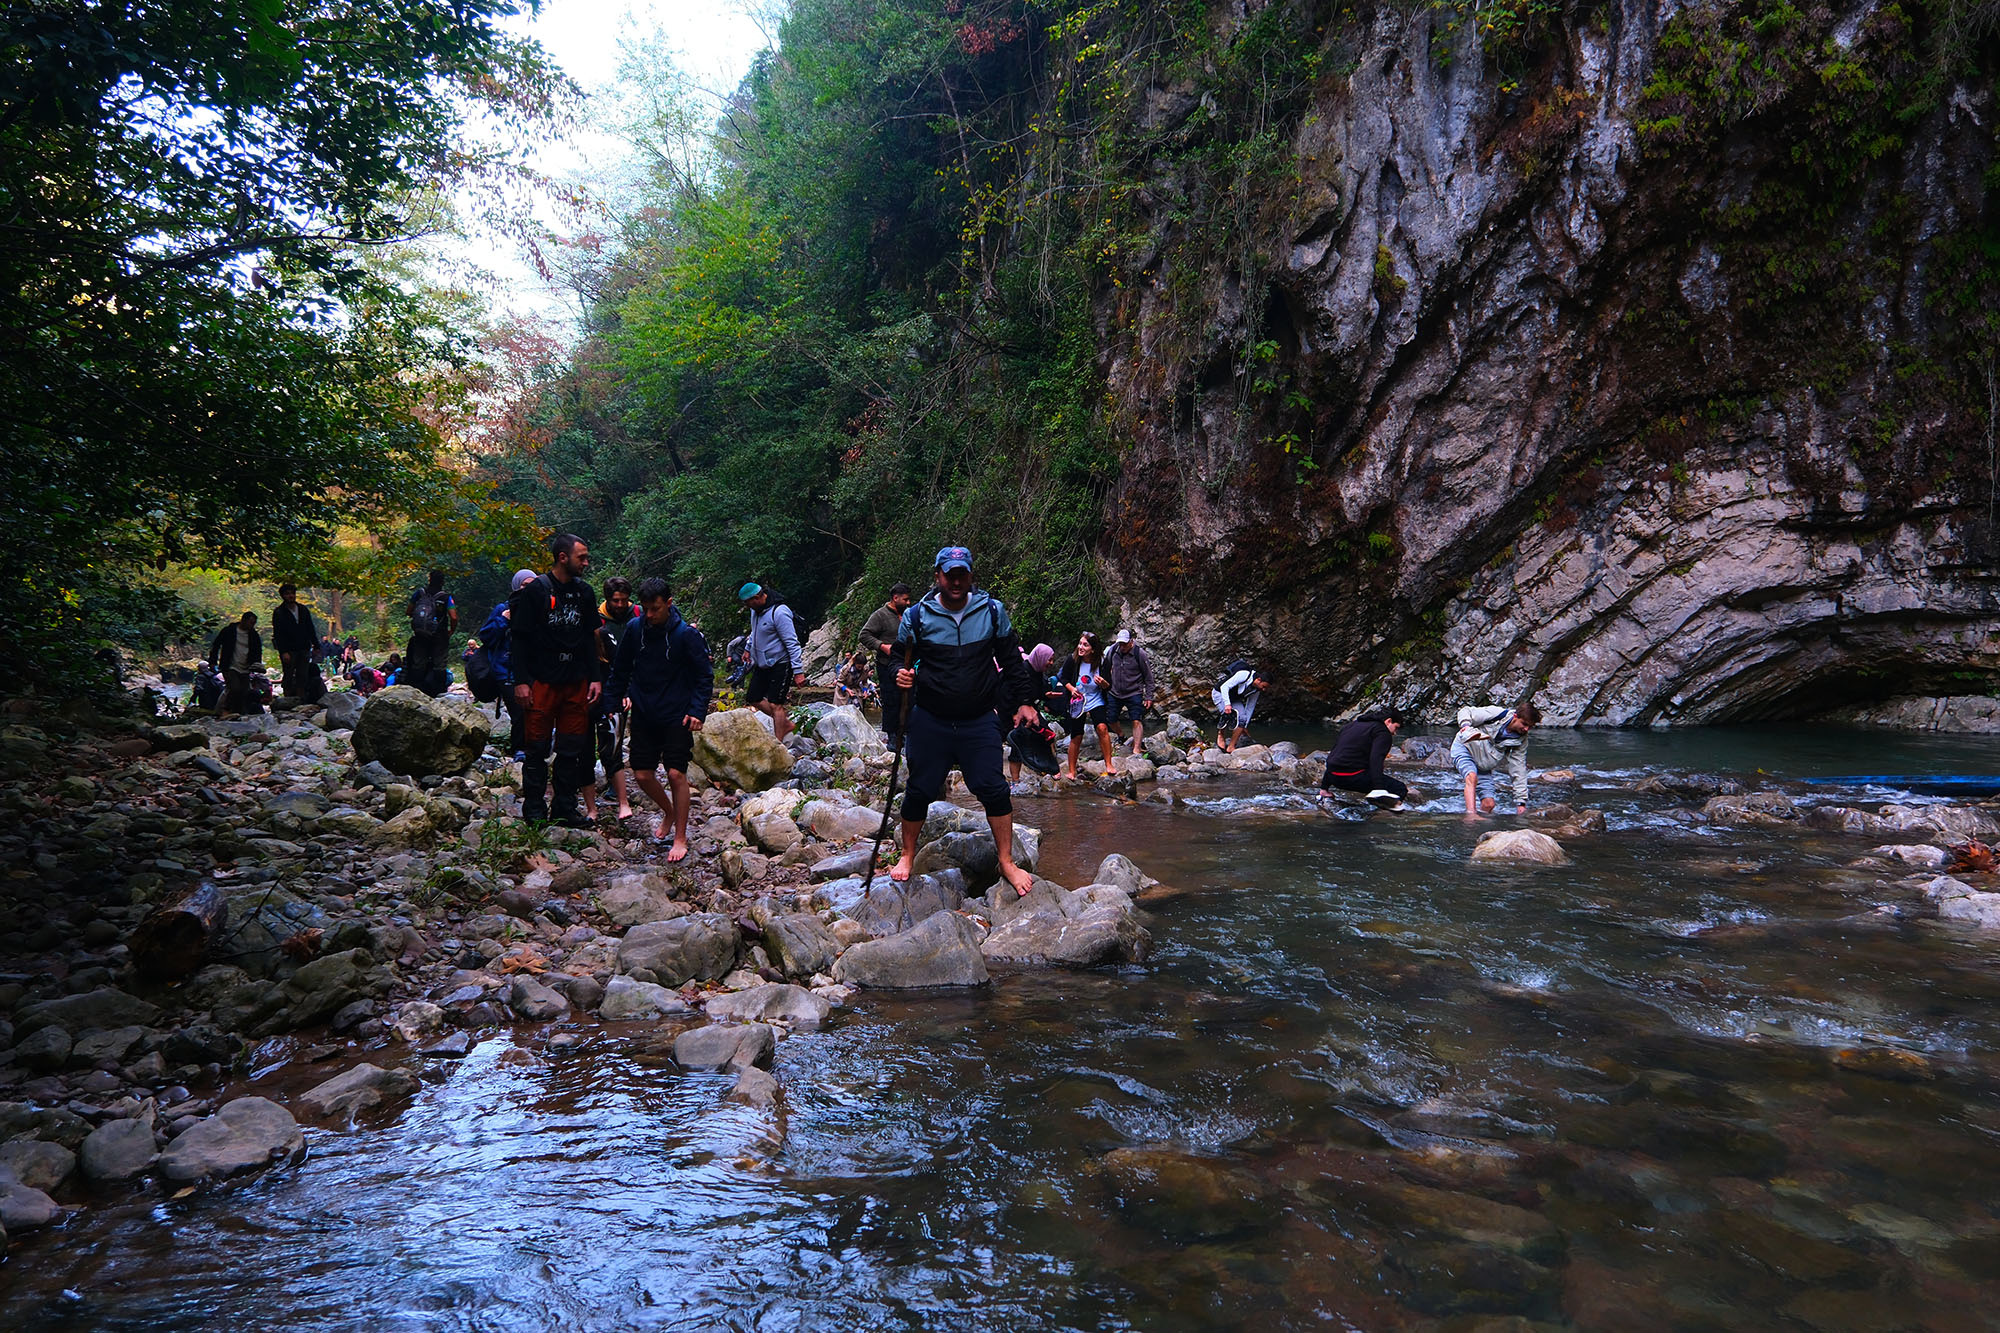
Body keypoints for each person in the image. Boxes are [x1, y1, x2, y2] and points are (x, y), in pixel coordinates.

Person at [890, 545, 1041, 896]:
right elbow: (899, 656)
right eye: (949, 574)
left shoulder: (991, 611)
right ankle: (908, 854)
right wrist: (900, 673)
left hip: (978, 718)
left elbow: (1011, 660)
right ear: (938, 576)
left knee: (993, 788)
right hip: (930, 717)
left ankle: (1006, 860)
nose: (956, 580)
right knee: (920, 789)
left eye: (962, 573)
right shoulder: (917, 616)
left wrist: (1024, 702)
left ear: (971, 575)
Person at [611, 577, 713, 861]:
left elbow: (704, 676)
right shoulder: (635, 629)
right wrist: (613, 699)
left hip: (677, 713)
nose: (651, 615)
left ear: (668, 603)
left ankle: (680, 837)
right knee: (642, 773)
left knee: (675, 773)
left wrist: (697, 711)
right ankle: (668, 810)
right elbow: (620, 668)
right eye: (646, 609)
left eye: (656, 609)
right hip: (644, 710)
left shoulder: (685, 635)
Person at [510, 532, 602, 826]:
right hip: (542, 681)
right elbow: (519, 639)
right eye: (582, 557)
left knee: (571, 748)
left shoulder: (585, 593)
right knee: (536, 749)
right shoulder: (535, 591)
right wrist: (521, 681)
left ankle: (564, 809)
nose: (586, 563)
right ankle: (534, 812)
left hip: (575, 680)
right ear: (563, 557)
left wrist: (595, 678)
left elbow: (590, 638)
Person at [586, 576, 637, 821]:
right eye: (616, 600)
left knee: (615, 740)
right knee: (599, 743)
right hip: (598, 689)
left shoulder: (636, 614)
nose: (620, 605)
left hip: (626, 684)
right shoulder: (598, 622)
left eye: (624, 600)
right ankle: (607, 790)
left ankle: (623, 787)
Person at [481, 568, 537, 760]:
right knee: (519, 712)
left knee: (534, 710)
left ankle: (533, 747)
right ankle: (520, 749)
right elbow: (487, 636)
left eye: (532, 585)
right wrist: (504, 619)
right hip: (505, 669)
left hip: (532, 668)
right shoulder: (503, 608)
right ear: (516, 586)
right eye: (524, 585)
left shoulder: (541, 608)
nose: (527, 590)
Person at [739, 581, 804, 741]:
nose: (748, 607)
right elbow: (755, 632)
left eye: (748, 603)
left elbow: (792, 642)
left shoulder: (780, 612)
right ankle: (785, 723)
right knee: (753, 697)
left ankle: (778, 744)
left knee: (776, 704)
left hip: (781, 663)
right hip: (763, 663)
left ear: (757, 598)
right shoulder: (756, 610)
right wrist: (748, 648)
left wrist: (798, 671)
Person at [1452, 703, 1540, 815]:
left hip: (1483, 763)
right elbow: (1466, 711)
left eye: (1530, 727)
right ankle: (1470, 815)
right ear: (1515, 717)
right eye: (1524, 724)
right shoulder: (1497, 714)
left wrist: (1521, 802)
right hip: (1465, 748)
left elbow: (1518, 768)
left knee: (1489, 805)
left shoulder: (1521, 740)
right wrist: (1465, 726)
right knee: (1472, 777)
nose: (1526, 729)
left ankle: (1476, 828)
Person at [858, 581, 914, 745]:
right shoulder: (880, 615)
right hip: (886, 664)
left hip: (907, 664)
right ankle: (892, 736)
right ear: (895, 598)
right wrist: (882, 646)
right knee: (891, 699)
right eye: (905, 599)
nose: (908, 602)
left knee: (910, 699)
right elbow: (864, 634)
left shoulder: (909, 614)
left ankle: (908, 733)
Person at [1057, 631, 1117, 780]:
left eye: (1085, 644)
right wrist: (1071, 689)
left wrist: (1104, 683)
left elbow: (1108, 686)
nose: (1080, 647)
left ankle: (1108, 764)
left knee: (1102, 728)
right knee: (1076, 735)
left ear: (1093, 649)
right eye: (1080, 643)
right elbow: (1063, 678)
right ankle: (1072, 771)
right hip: (1078, 700)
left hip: (1096, 699)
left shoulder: (1103, 662)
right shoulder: (1073, 660)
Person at [1319, 711, 1409, 807]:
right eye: (1396, 728)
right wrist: (1379, 788)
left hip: (1333, 777)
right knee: (1400, 788)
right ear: (1388, 721)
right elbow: (1376, 759)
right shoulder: (1382, 732)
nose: (1394, 733)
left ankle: (1324, 792)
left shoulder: (1352, 725)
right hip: (1352, 778)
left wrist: (1324, 788)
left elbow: (1336, 754)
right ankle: (1385, 815)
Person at [1007, 643, 1062, 782]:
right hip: (1016, 712)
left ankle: (1045, 765)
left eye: (1052, 659)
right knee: (1017, 746)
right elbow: (1008, 693)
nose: (1051, 663)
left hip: (1032, 711)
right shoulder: (1022, 670)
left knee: (1047, 734)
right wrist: (1014, 712)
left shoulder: (1038, 673)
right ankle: (1015, 781)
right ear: (1040, 657)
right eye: (1049, 659)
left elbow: (1038, 692)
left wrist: (1046, 695)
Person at [404, 569, 457, 697]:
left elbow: (408, 611)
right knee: (439, 664)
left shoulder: (419, 593)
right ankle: (438, 692)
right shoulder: (446, 597)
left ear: (429, 579)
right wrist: (451, 631)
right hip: (440, 635)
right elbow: (454, 617)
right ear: (442, 582)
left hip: (421, 634)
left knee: (418, 663)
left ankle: (416, 691)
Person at [1103, 628, 1156, 757]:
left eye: (1124, 644)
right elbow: (1105, 669)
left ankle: (1136, 748)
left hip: (1134, 692)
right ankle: (1121, 735)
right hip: (1115, 691)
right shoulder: (1113, 651)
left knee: (1136, 720)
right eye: (1120, 643)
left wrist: (1149, 696)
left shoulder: (1139, 654)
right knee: (1111, 719)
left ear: (1131, 642)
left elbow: (1148, 676)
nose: (1122, 647)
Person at [271, 584, 325, 705]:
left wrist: (316, 645)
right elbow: (278, 633)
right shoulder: (279, 612)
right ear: (283, 596)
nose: (290, 596)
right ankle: (288, 697)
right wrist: (283, 651)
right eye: (287, 594)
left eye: (292, 593)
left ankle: (300, 698)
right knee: (288, 673)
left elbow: (310, 627)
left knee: (303, 673)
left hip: (304, 646)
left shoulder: (302, 609)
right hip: (289, 648)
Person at [207, 612, 263, 716]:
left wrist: (257, 665)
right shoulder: (229, 631)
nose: (252, 625)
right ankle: (226, 709)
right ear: (243, 620)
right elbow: (216, 645)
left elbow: (257, 650)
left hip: (246, 666)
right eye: (251, 623)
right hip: (229, 665)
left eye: (254, 623)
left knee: (244, 691)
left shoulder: (253, 635)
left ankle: (239, 712)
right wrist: (212, 661)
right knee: (234, 688)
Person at [1212, 660, 1269, 752]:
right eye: (1264, 686)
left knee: (1242, 718)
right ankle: (1221, 735)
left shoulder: (1256, 690)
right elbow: (1224, 687)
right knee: (1229, 715)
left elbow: (1250, 706)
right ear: (1258, 680)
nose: (1264, 689)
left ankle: (1231, 746)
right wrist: (1227, 704)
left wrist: (1244, 725)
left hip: (1234, 698)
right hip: (1220, 693)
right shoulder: (1244, 674)